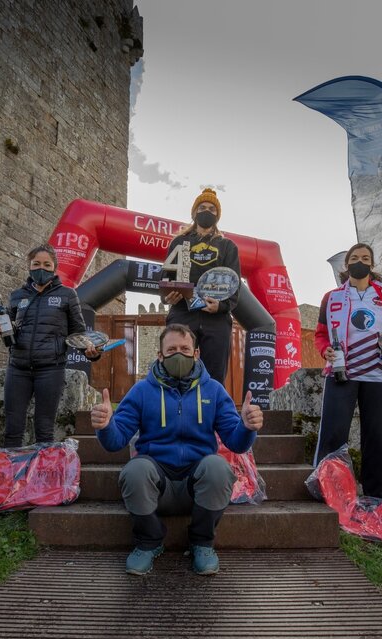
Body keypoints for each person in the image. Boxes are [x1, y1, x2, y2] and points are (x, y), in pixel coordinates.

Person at [90, 323, 263, 576]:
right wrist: (106, 425)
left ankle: (202, 543)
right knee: (135, 470)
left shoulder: (214, 391)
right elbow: (115, 442)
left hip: (198, 486)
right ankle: (149, 542)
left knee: (218, 467)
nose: (178, 354)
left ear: (196, 353)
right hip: (158, 485)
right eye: (171, 350)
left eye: (185, 348)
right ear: (159, 355)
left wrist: (247, 426)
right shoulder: (141, 391)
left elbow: (236, 443)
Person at [312, 243, 382, 499]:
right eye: (355, 257)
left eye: (366, 258)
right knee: (332, 436)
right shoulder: (332, 297)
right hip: (341, 372)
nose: (360, 261)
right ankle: (326, 492)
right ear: (346, 264)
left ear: (372, 265)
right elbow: (321, 334)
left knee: (377, 439)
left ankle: (375, 497)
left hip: (379, 375)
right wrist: (325, 349)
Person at [0, 244, 99, 446]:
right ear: (29, 266)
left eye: (46, 264)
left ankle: (41, 476)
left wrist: (92, 352)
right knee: (12, 429)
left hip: (51, 369)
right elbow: (13, 328)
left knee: (44, 429)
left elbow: (78, 332)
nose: (41, 268)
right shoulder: (17, 296)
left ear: (54, 268)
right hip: (18, 367)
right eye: (36, 264)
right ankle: (14, 476)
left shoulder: (68, 295)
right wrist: (2, 328)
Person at [162, 188, 240, 384]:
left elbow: (234, 285)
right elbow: (166, 277)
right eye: (203, 207)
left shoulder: (227, 246)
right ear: (194, 212)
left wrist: (221, 307)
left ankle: (210, 412)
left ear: (218, 215)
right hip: (182, 314)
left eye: (212, 209)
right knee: (177, 371)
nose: (207, 211)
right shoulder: (179, 242)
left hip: (216, 319)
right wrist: (167, 296)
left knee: (213, 377)